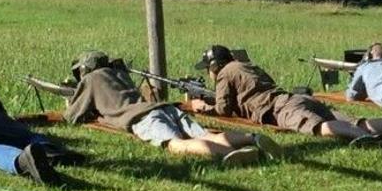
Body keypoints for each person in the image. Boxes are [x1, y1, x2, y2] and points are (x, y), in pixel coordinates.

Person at [191, 45, 382, 145]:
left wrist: (204, 107)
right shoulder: (246, 66)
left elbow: (224, 110)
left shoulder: (225, 73)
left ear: (215, 66)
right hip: (294, 98)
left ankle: (367, 139)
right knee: (356, 120)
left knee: (317, 128)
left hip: (280, 108)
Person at [64, 51, 270, 165]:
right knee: (206, 134)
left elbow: (72, 116)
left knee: (175, 145)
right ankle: (252, 139)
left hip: (143, 118)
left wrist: (70, 100)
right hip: (164, 108)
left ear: (85, 69)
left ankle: (227, 154)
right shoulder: (119, 74)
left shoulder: (91, 79)